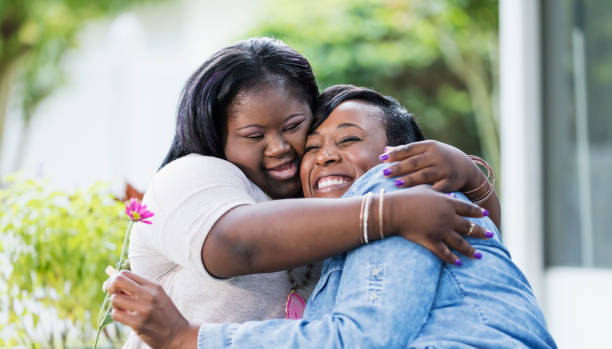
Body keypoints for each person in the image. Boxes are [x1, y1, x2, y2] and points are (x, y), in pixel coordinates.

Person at [105, 85, 556, 348]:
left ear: (404, 153)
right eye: (314, 146)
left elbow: (362, 339)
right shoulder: (354, 227)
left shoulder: (395, 191)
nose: (323, 157)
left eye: (348, 139)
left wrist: (189, 338)